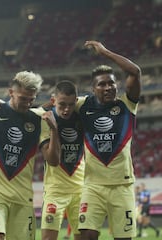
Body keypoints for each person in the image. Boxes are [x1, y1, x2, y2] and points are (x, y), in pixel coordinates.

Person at [0, 71, 60, 240]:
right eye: (23, 98)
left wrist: (54, 130)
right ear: (11, 92)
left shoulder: (38, 119)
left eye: (31, 99)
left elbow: (52, 161)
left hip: (22, 196)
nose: (27, 103)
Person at [76, 40, 142, 240]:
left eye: (111, 82)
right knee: (86, 235)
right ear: (93, 89)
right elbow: (59, 101)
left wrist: (105, 52)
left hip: (122, 186)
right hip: (93, 185)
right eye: (101, 84)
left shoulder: (127, 104)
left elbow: (135, 72)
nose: (108, 87)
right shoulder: (82, 106)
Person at [41, 81, 84, 240]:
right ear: (53, 101)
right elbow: (53, 161)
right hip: (55, 190)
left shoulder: (81, 114)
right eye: (62, 104)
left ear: (77, 101)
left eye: (71, 105)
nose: (67, 109)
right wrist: (53, 128)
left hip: (80, 188)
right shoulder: (44, 119)